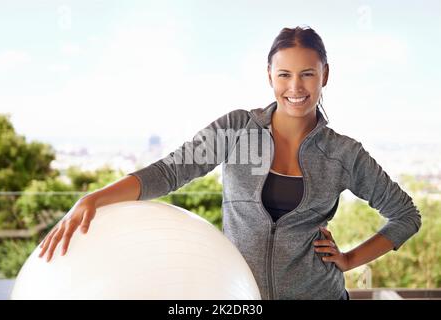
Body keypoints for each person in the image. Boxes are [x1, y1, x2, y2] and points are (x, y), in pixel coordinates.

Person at [38, 26, 421, 300]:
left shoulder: (344, 153)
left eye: (308, 74)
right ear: (269, 76)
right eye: (284, 74)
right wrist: (94, 199)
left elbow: (406, 215)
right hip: (237, 295)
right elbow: (171, 171)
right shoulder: (237, 128)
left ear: (325, 76)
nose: (296, 87)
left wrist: (349, 259)